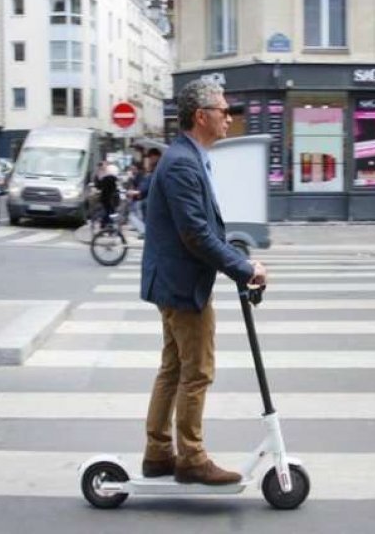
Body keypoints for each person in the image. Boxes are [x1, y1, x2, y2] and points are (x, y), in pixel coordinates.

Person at [140, 78, 267, 486]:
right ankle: (190, 457)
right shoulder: (181, 162)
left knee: (173, 369)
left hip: (175, 280)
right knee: (196, 372)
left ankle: (159, 453)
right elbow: (194, 233)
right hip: (182, 284)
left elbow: (201, 228)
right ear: (201, 116)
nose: (228, 117)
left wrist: (235, 257)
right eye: (223, 111)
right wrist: (243, 268)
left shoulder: (189, 158)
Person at [96, 162, 119, 228]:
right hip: (110, 198)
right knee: (110, 211)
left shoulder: (106, 178)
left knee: (107, 211)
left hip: (106, 197)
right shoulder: (113, 179)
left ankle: (105, 224)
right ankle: (108, 224)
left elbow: (99, 186)